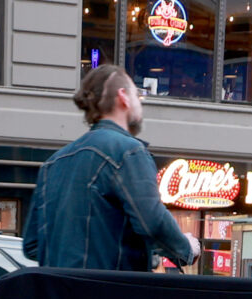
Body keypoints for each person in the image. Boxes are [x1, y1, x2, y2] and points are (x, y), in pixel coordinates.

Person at [21, 66, 199, 273]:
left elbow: (32, 245)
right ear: (123, 97)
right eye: (137, 95)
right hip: (108, 298)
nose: (141, 102)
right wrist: (187, 247)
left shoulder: (52, 164)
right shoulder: (128, 152)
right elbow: (153, 222)